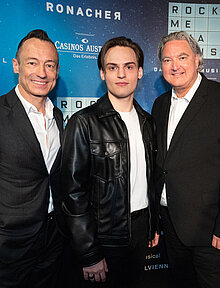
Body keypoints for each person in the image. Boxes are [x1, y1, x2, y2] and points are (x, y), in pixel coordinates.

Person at [61, 36, 159, 288]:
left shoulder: (148, 122)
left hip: (140, 233)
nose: (121, 74)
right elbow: (73, 193)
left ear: (139, 72)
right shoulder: (83, 122)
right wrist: (89, 252)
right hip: (103, 238)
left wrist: (152, 226)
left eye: (128, 66)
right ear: (102, 74)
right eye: (112, 67)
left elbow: (151, 179)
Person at [152, 30, 220, 288]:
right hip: (171, 225)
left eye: (182, 57)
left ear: (197, 59)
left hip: (209, 231)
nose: (174, 65)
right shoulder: (159, 104)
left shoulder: (217, 98)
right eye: (167, 60)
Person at [0, 29, 65, 288]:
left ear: (57, 71)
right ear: (16, 66)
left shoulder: (58, 117)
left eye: (49, 65)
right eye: (32, 63)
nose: (42, 73)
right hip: (9, 247)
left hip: (54, 240)